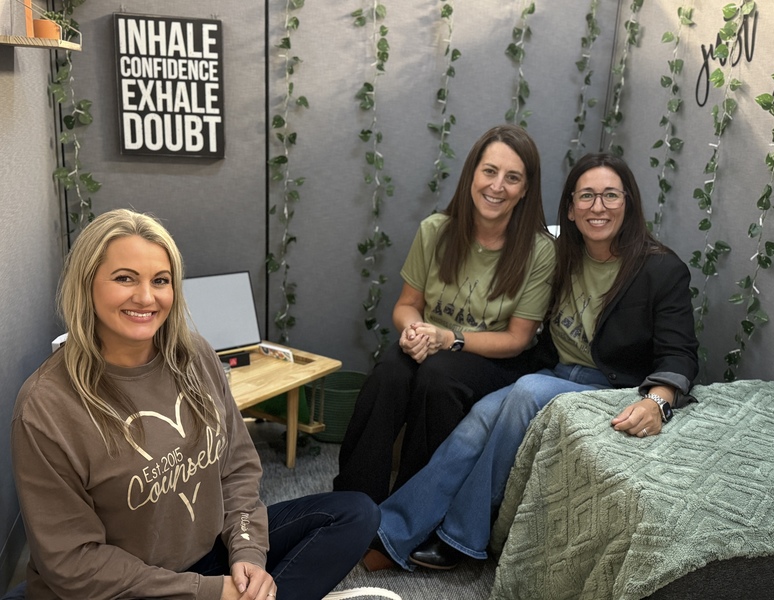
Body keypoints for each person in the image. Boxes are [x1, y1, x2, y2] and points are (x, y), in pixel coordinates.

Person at [11, 209, 379, 600]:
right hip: (127, 587)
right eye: (125, 278)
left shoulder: (196, 355)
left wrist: (248, 551)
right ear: (86, 285)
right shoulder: (45, 406)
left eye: (160, 280)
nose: (146, 297)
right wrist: (207, 591)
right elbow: (73, 562)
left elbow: (237, 465)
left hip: (207, 557)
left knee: (356, 515)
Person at [366, 152, 699, 571]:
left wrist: (658, 400)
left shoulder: (661, 269)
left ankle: (461, 536)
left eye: (611, 195)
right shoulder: (562, 257)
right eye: (586, 196)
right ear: (571, 209)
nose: (598, 207)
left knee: (527, 390)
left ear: (628, 203)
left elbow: (680, 352)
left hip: (610, 385)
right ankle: (390, 530)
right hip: (553, 371)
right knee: (481, 418)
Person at [333, 125, 557, 504]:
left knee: (438, 378)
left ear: (525, 189)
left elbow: (517, 339)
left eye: (512, 177)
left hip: (495, 360)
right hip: (433, 346)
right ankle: (352, 504)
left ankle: (409, 510)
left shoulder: (540, 251)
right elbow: (406, 306)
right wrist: (414, 331)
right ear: (472, 174)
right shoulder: (435, 230)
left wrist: (449, 339)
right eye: (489, 171)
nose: (497, 186)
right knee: (388, 374)